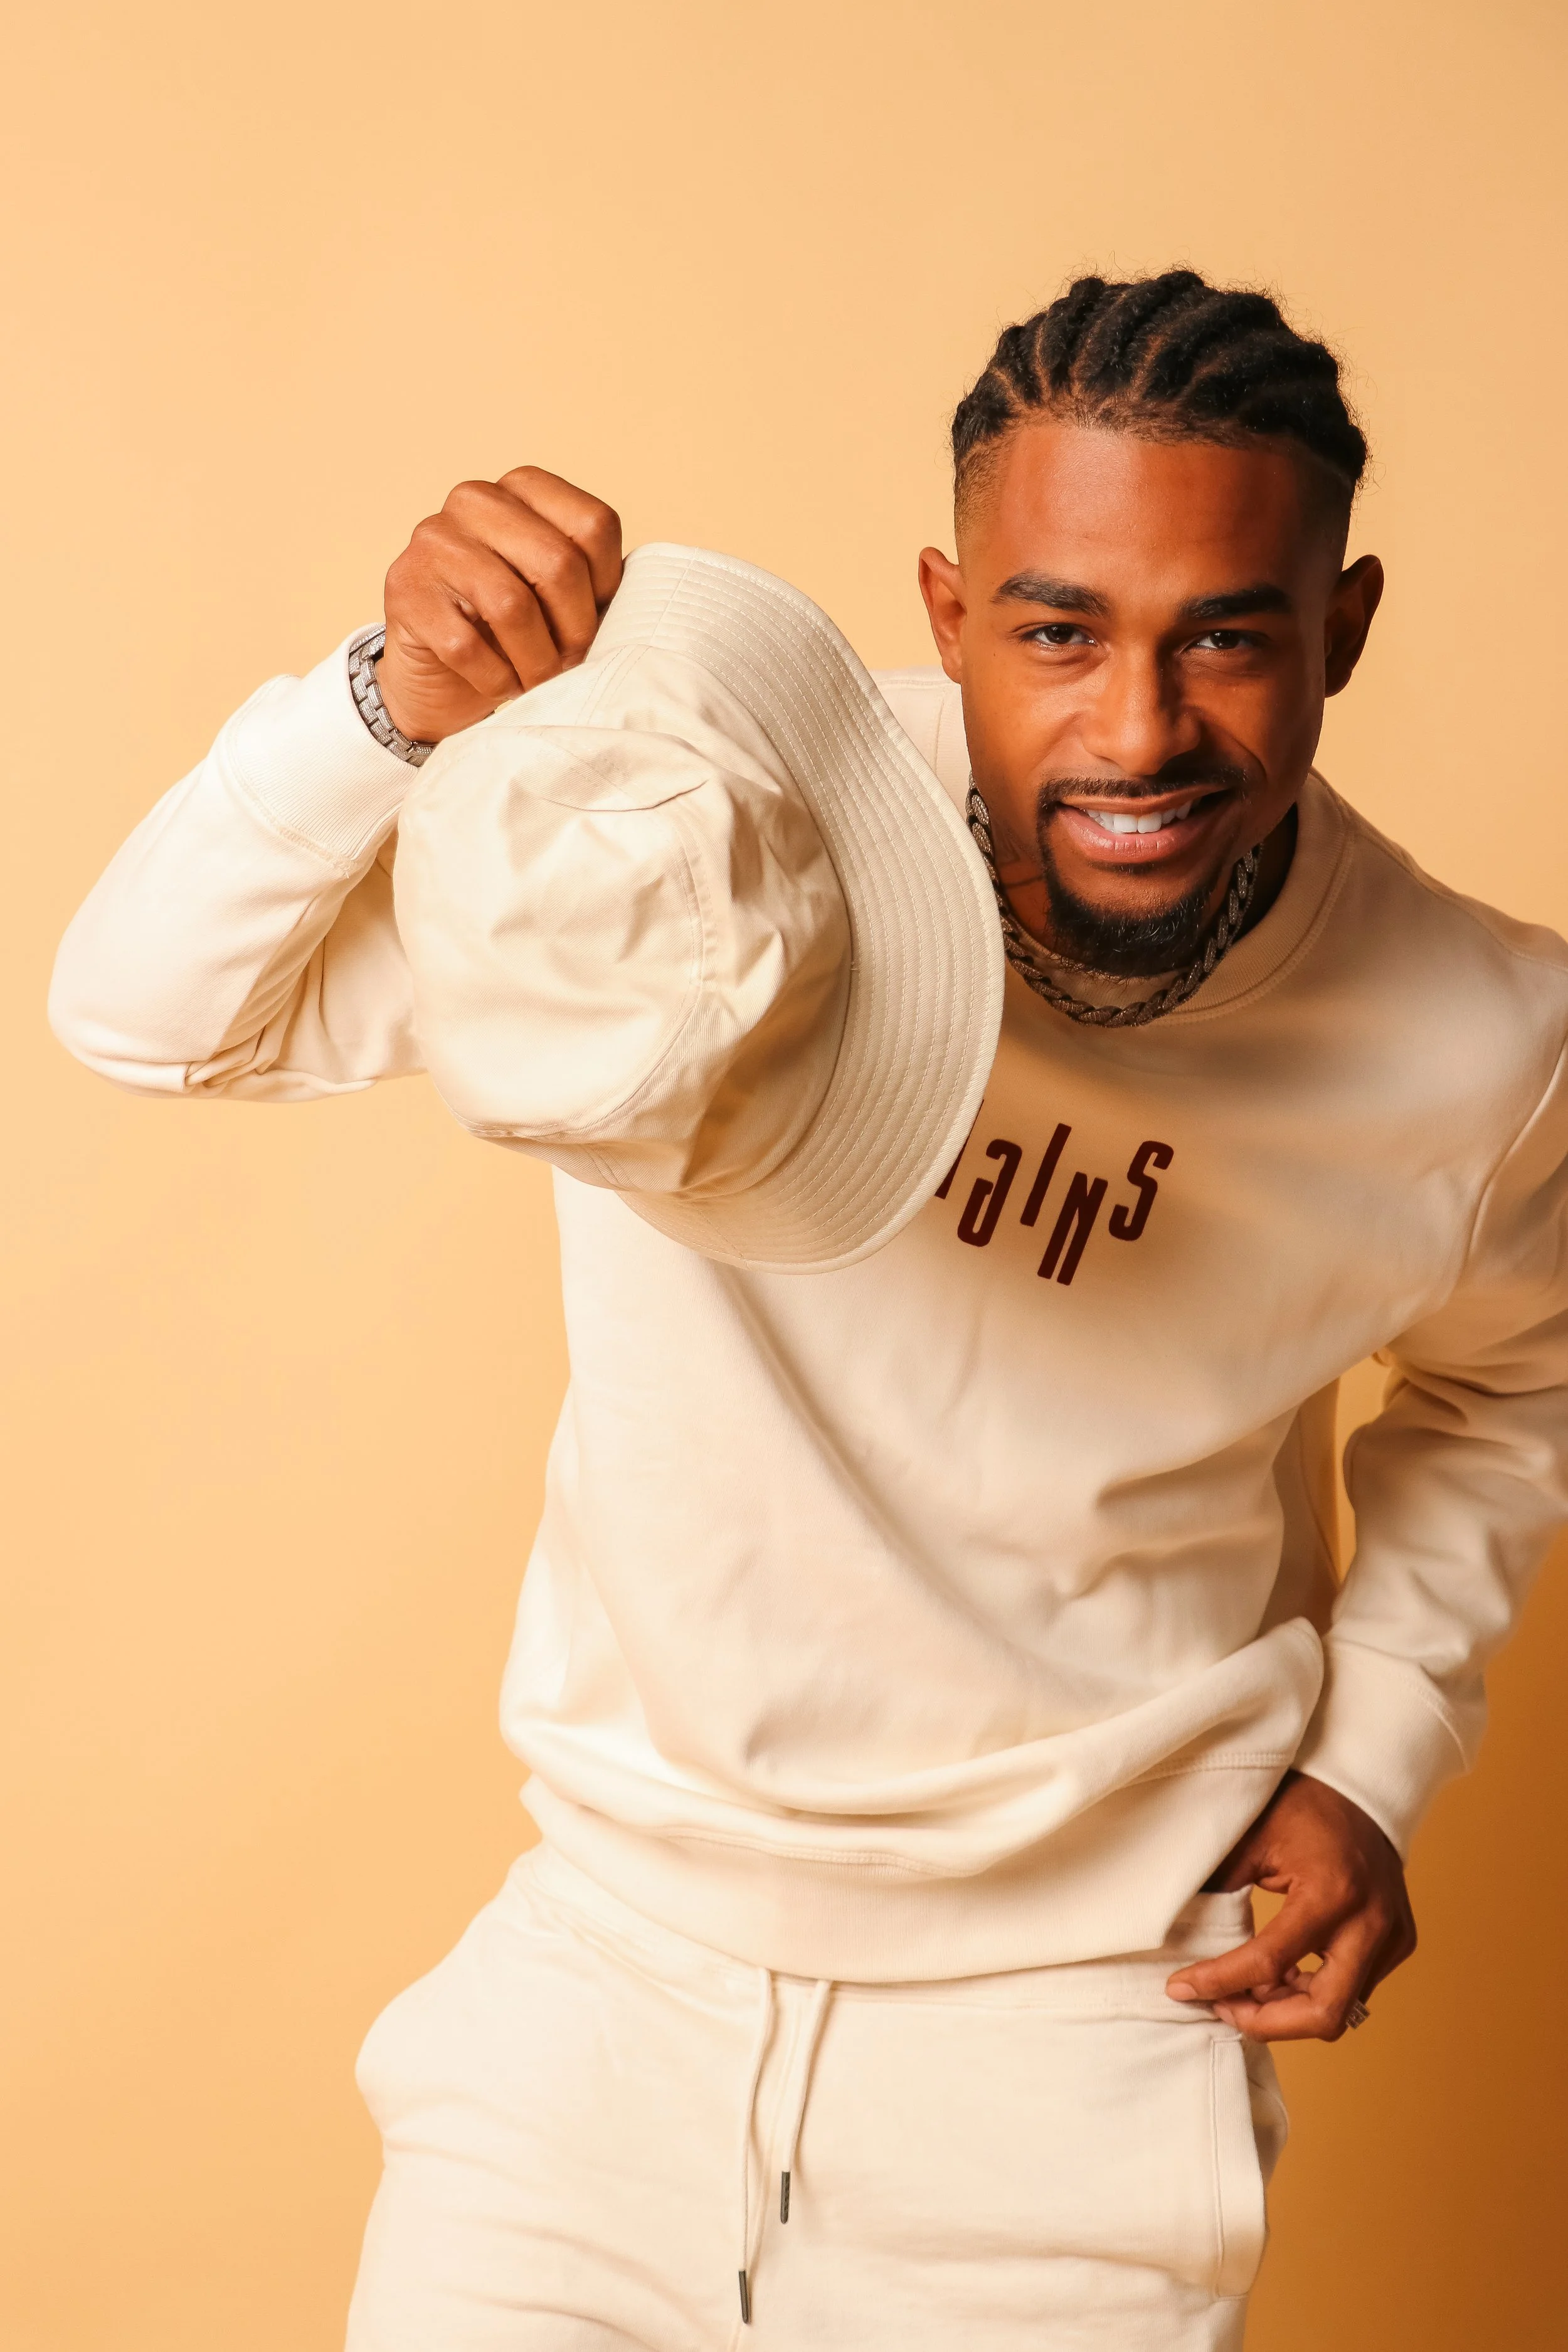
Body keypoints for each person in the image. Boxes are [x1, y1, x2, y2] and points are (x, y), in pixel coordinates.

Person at [50, 270, 1568, 2350]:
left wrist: (1375, 1750)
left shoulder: (1483, 1038)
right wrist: (382, 705)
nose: (1137, 731)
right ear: (945, 616)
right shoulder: (709, 840)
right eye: (1056, 632)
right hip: (596, 2002)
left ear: (1345, 625)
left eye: (1225, 635)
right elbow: (143, 1015)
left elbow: (1512, 1388)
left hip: (1082, 2049)